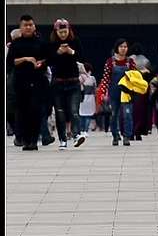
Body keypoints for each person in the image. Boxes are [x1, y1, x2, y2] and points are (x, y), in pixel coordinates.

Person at [6, 15, 49, 151]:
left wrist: (40, 63)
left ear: (34, 26)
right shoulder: (16, 44)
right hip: (21, 81)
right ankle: (25, 138)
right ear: (21, 27)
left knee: (35, 109)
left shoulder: (41, 42)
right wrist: (24, 59)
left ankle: (34, 140)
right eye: (25, 25)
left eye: (30, 24)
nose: (28, 27)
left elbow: (48, 59)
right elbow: (10, 62)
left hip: (37, 80)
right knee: (22, 110)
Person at [46, 18, 87, 149]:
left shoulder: (75, 41)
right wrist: (58, 53)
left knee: (74, 110)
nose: (63, 34)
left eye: (65, 32)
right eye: (60, 32)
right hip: (57, 82)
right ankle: (62, 139)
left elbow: (82, 58)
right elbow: (48, 61)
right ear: (56, 32)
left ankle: (76, 135)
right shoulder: (52, 43)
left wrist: (71, 52)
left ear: (69, 30)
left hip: (73, 81)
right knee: (60, 111)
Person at [99, 38, 137, 146]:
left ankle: (127, 136)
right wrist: (103, 92)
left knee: (127, 114)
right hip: (114, 91)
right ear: (117, 48)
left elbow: (135, 76)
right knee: (114, 114)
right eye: (121, 47)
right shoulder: (110, 62)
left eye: (125, 47)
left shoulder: (130, 62)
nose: (123, 49)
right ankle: (115, 134)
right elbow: (106, 78)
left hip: (127, 91)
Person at [129, 43, 153, 140]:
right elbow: (150, 73)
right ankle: (139, 132)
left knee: (131, 111)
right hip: (142, 89)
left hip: (131, 88)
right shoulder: (146, 61)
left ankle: (130, 131)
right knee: (142, 112)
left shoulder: (129, 60)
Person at [78, 62, 97, 134]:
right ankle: (86, 130)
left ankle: (81, 129)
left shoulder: (79, 78)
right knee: (88, 115)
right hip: (90, 97)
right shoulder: (92, 78)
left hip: (81, 97)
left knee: (81, 114)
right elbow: (94, 88)